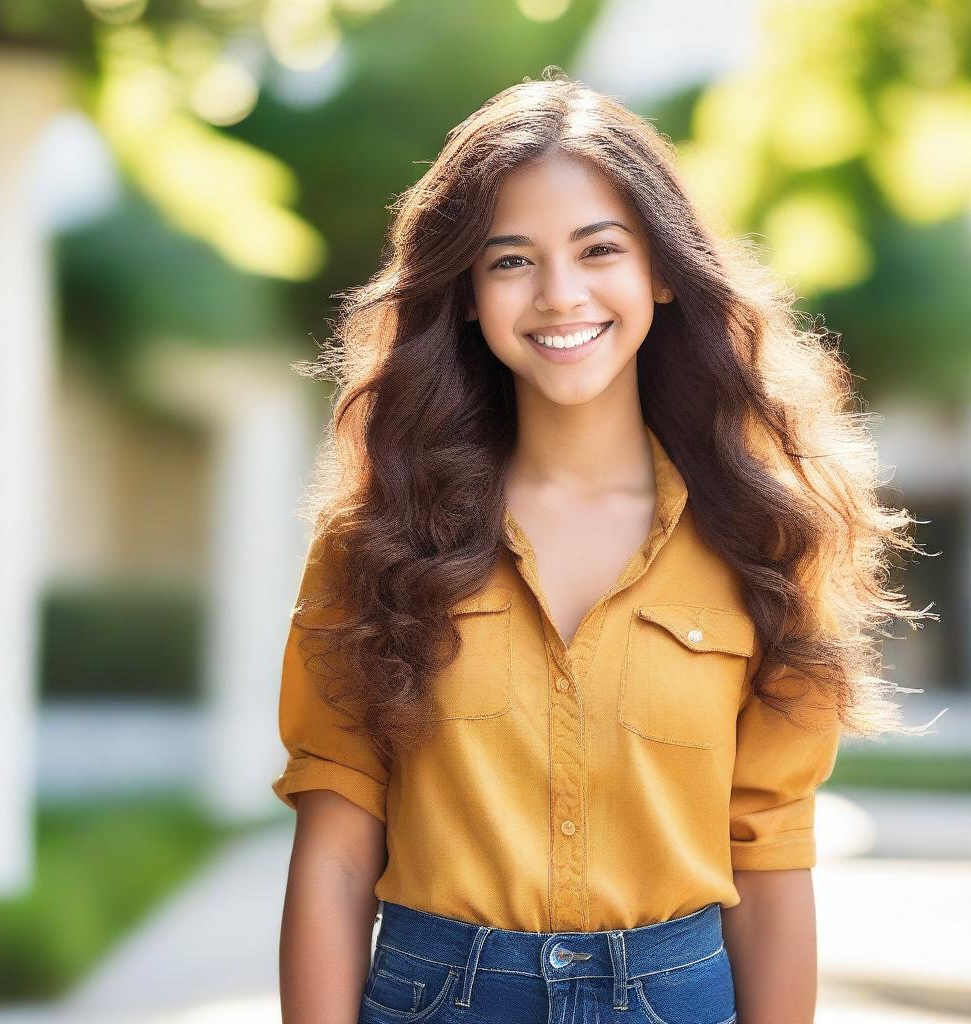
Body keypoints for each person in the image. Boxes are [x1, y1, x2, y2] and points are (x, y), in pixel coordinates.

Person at [271, 68, 946, 1024]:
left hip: (678, 995)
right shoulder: (375, 540)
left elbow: (771, 850)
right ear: (464, 291)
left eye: (600, 250)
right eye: (510, 260)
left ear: (661, 271)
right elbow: (336, 852)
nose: (559, 294)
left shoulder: (766, 537)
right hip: (438, 995)